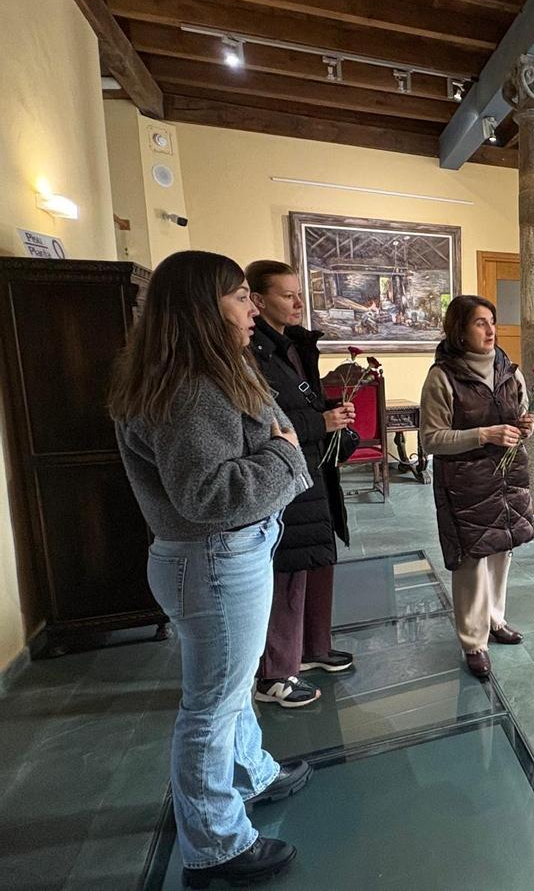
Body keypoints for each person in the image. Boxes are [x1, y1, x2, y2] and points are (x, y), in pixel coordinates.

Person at [110, 250, 312, 888]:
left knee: (231, 679)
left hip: (212, 556)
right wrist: (284, 458)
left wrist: (279, 440)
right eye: (239, 296)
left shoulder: (202, 371)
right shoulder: (192, 386)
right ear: (203, 308)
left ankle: (251, 771)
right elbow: (211, 495)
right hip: (215, 556)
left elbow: (273, 425)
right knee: (211, 705)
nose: (252, 307)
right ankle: (216, 843)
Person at [246, 260, 356, 709]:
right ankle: (276, 671)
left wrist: (332, 414)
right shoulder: (251, 353)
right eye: (286, 294)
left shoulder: (294, 345)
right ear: (257, 300)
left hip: (313, 465)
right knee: (289, 566)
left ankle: (313, 648)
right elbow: (265, 422)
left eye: (299, 292)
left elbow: (303, 397)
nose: (297, 302)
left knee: (317, 555)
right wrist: (321, 420)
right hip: (286, 468)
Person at [420, 295, 534, 680]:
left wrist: (524, 426)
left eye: (492, 322)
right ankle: (474, 641)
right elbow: (432, 440)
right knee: (471, 559)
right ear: (460, 331)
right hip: (465, 482)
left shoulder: (509, 370)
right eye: (479, 323)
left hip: (506, 476)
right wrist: (483, 434)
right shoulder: (443, 376)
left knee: (501, 549)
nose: (490, 331)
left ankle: (495, 620)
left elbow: (517, 416)